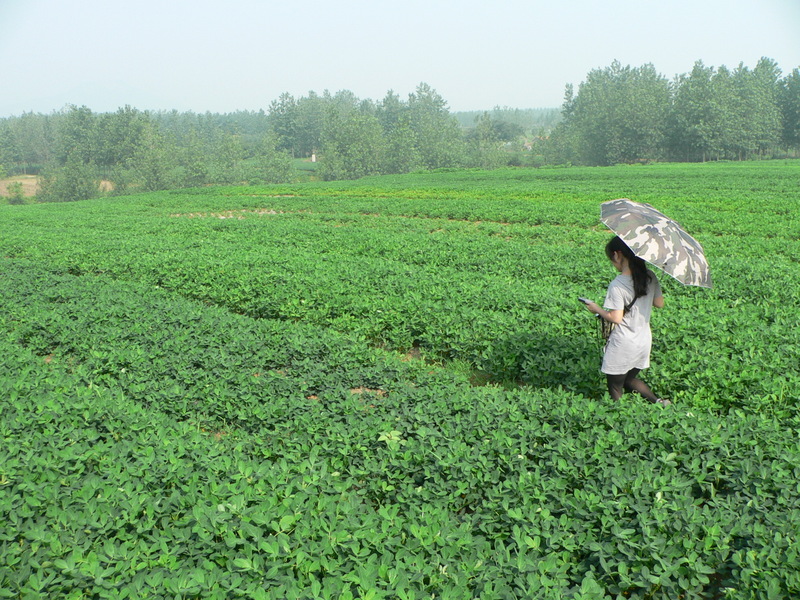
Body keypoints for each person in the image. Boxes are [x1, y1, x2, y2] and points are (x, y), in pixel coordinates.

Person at [584, 236, 671, 406]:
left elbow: (615, 318)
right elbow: (659, 303)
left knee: (615, 387)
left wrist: (596, 309)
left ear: (617, 255)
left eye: (611, 258)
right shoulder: (650, 276)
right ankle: (660, 402)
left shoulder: (617, 284)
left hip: (624, 343)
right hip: (643, 340)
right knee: (629, 379)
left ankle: (622, 418)